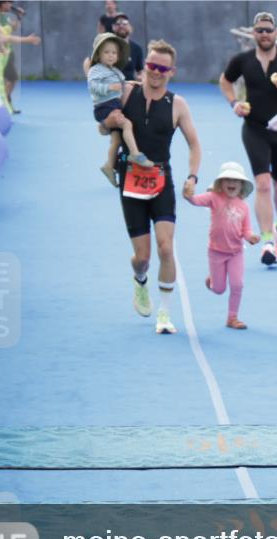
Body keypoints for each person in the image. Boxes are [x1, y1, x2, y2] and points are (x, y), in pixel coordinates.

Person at [116, 39, 200, 335]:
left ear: (171, 72)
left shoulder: (177, 104)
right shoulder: (127, 92)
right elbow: (103, 124)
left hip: (161, 179)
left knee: (166, 248)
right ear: (144, 67)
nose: (156, 72)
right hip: (130, 180)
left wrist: (193, 176)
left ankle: (164, 313)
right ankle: (140, 281)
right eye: (151, 66)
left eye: (162, 68)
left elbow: (194, 144)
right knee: (143, 257)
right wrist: (107, 125)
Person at [219, 11, 277, 266]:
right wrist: (235, 103)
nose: (264, 34)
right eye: (259, 30)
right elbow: (225, 82)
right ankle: (267, 241)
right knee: (262, 184)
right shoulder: (242, 60)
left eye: (268, 30)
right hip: (254, 128)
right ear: (253, 33)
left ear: (276, 33)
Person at [184, 161, 260, 330]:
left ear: (242, 185)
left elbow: (246, 229)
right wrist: (188, 194)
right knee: (218, 289)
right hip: (216, 252)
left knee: (237, 284)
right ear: (220, 183)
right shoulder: (214, 198)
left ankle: (232, 317)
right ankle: (212, 280)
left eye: (236, 180)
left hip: (236, 253)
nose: (231, 183)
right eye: (227, 180)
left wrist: (250, 237)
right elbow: (195, 201)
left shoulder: (244, 206)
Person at [87, 32, 152, 186]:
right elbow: (93, 87)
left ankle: (109, 166)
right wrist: (110, 87)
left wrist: (133, 83)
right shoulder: (96, 70)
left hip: (115, 105)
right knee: (127, 124)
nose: (110, 56)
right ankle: (135, 154)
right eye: (106, 52)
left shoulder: (116, 71)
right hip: (105, 106)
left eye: (114, 53)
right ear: (98, 55)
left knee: (116, 139)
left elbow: (123, 84)